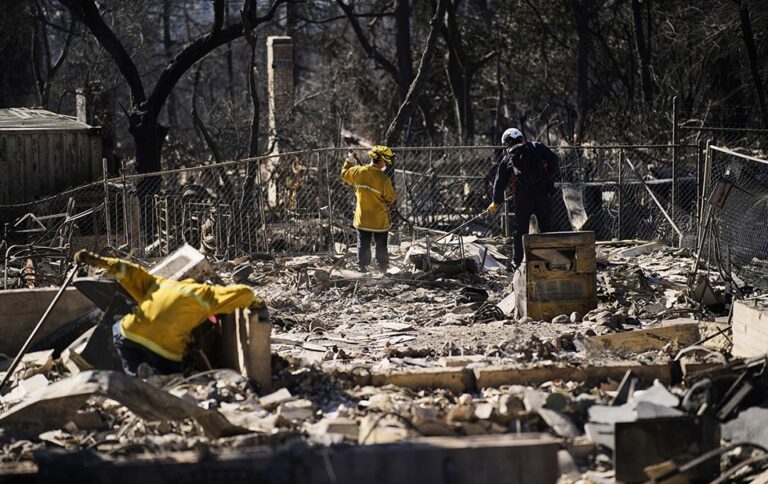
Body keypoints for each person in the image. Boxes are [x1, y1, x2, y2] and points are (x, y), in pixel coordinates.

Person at [73, 249, 266, 376]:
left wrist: (97, 260)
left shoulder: (162, 284)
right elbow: (241, 293)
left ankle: (137, 376)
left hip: (131, 334)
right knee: (172, 376)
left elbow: (129, 270)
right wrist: (256, 302)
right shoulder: (205, 295)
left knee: (120, 330)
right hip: (165, 347)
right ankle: (163, 379)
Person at [486, 128, 560, 266]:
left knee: (520, 230)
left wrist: (496, 201)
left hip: (523, 196)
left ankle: (518, 263)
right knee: (546, 227)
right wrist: (546, 176)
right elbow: (554, 160)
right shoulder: (537, 146)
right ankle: (549, 261)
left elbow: (500, 180)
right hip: (542, 192)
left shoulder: (508, 157)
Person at [340, 145, 397, 273]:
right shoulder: (384, 180)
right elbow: (391, 198)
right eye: (386, 161)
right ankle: (382, 268)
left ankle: (362, 268)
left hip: (363, 219)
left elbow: (344, 174)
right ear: (381, 161)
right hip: (379, 221)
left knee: (363, 244)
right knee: (381, 245)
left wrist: (350, 159)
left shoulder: (358, 172)